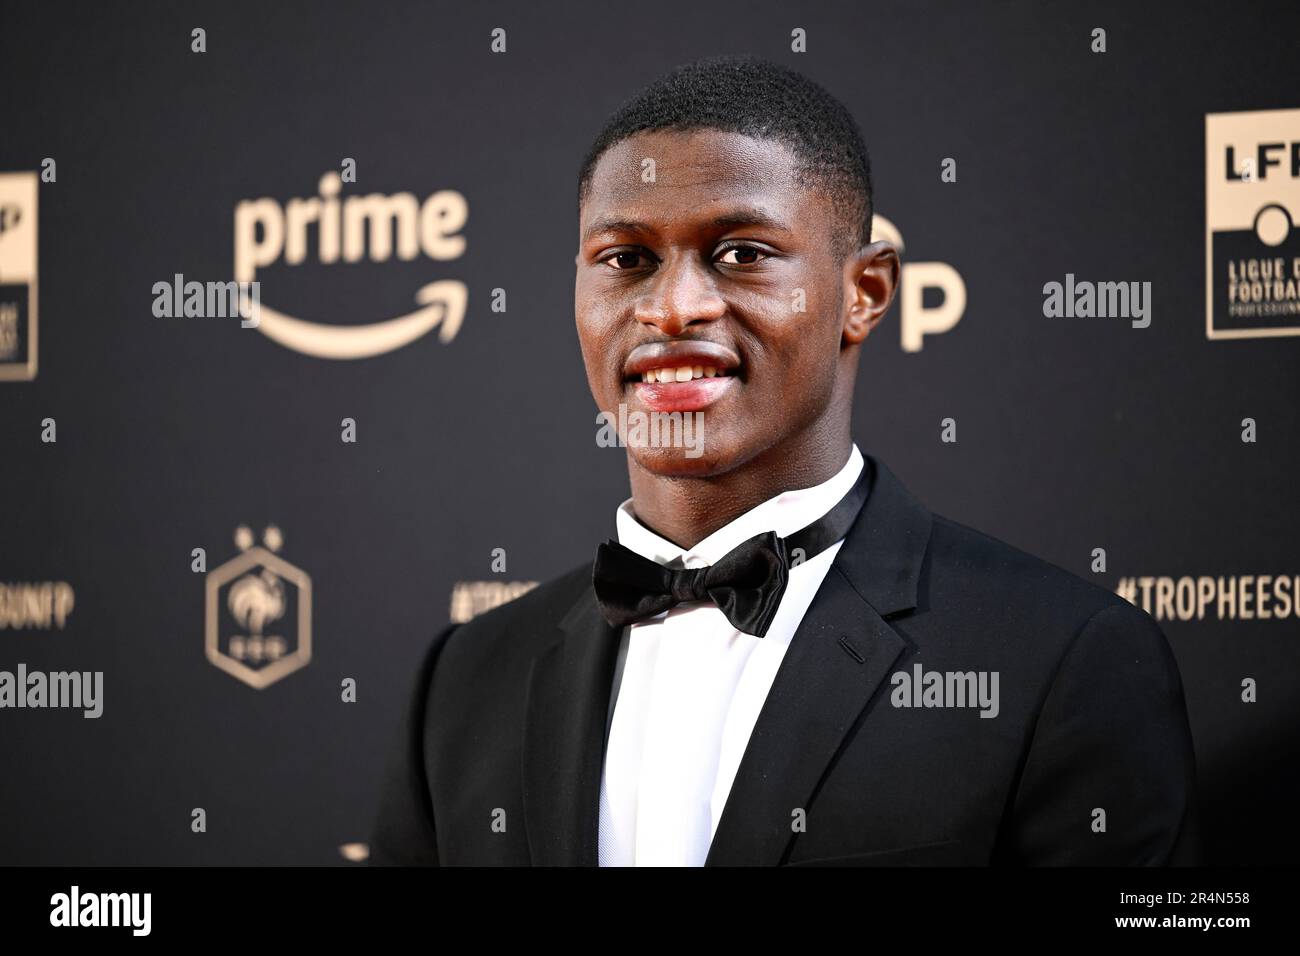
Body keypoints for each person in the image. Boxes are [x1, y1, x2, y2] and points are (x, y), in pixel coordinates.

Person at [370, 55, 1199, 866]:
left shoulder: (1064, 662)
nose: (671, 308)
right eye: (626, 259)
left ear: (864, 293)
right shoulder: (465, 681)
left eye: (742, 253)